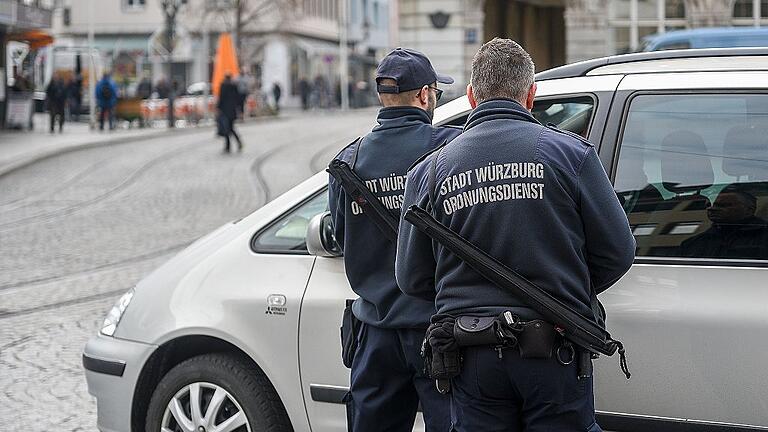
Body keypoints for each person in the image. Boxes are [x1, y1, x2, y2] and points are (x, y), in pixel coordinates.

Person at [396, 38, 636, 431]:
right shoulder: (570, 155)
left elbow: (412, 278)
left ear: (472, 96)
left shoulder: (429, 172)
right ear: (531, 95)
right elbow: (619, 252)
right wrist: (567, 285)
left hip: (469, 357)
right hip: (553, 349)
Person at [328, 48, 461, 432]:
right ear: (423, 96)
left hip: (375, 334)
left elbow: (339, 237)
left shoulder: (346, 163)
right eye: (435, 91)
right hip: (439, 332)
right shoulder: (449, 150)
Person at [681, 185, 768, 259]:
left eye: (723, 205)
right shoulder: (693, 244)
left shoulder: (764, 237)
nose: (711, 208)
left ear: (749, 209)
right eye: (708, 205)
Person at [217, 73, 243, 153]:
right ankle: (237, 142)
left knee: (227, 129)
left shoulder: (223, 86)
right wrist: (240, 110)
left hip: (225, 111)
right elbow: (238, 99)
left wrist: (218, 108)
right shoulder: (234, 86)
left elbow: (221, 98)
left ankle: (228, 146)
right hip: (232, 111)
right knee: (230, 128)